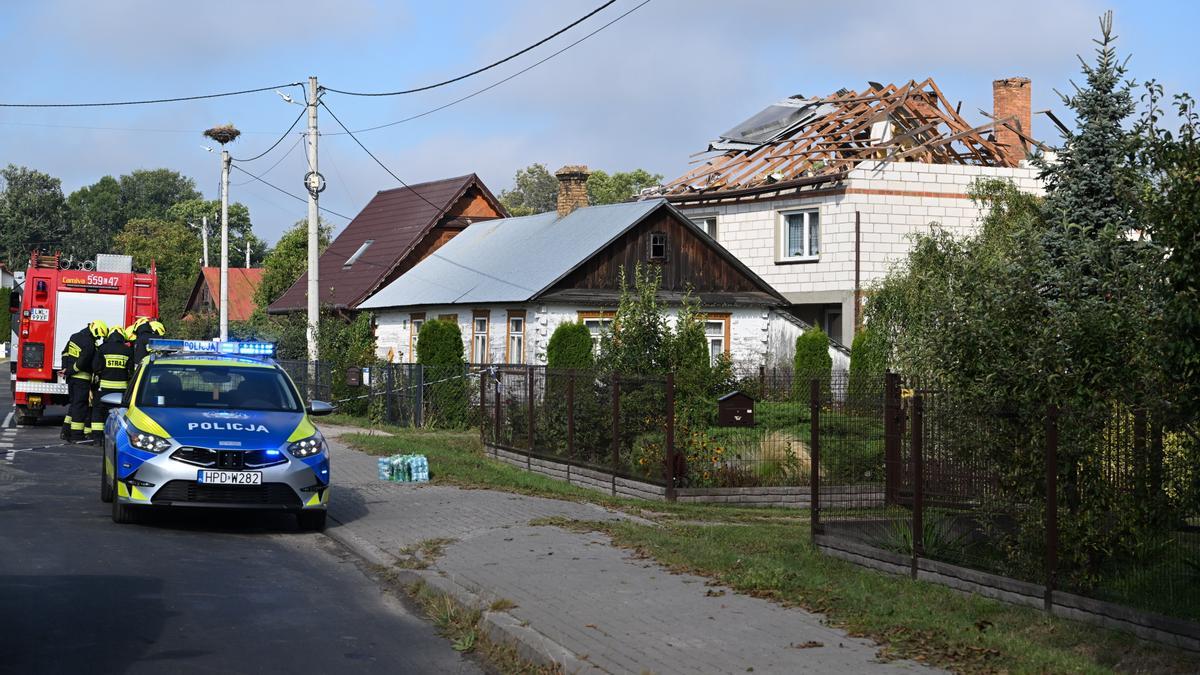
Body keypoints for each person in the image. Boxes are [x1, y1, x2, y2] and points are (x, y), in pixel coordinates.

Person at [60, 320, 106, 443]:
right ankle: (76, 435)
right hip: (82, 379)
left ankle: (66, 431)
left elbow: (65, 353)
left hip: (71, 379)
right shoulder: (90, 343)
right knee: (80, 406)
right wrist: (72, 370)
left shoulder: (74, 337)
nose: (99, 338)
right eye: (99, 335)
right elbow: (84, 361)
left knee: (75, 404)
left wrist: (66, 368)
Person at [90, 326, 135, 439]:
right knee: (120, 414)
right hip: (121, 390)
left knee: (99, 411)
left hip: (104, 388)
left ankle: (97, 437)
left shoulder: (102, 348)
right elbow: (131, 371)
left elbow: (96, 367)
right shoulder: (128, 350)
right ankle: (118, 437)